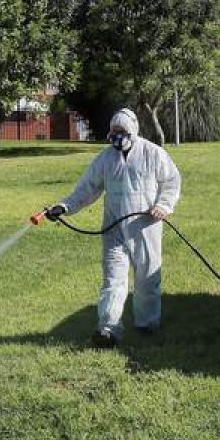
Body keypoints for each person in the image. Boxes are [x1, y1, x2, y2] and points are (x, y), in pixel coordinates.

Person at [42, 108, 181, 348]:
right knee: (113, 279)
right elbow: (86, 190)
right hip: (114, 229)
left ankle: (147, 324)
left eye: (122, 132)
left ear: (133, 131)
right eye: (114, 132)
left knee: (147, 277)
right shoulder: (105, 160)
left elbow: (171, 181)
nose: (118, 136)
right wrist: (63, 207)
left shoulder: (152, 153)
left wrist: (163, 205)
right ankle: (108, 329)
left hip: (145, 226)